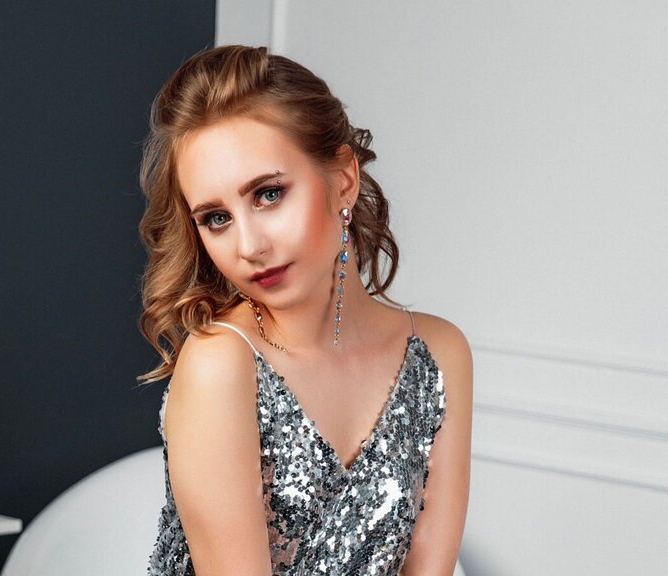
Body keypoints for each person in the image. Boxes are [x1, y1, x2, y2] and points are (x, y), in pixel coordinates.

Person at [138, 45, 473, 575]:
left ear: (343, 179)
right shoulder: (222, 364)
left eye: (269, 194)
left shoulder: (437, 354)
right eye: (217, 218)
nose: (249, 246)